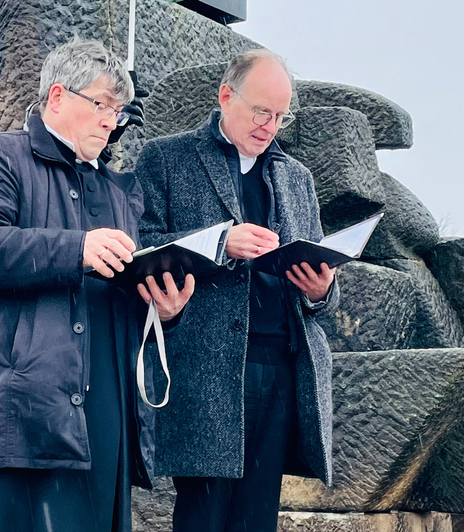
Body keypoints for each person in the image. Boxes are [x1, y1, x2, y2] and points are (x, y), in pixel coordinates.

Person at [0, 37, 194, 532]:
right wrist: (74, 249)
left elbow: (120, 295)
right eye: (100, 103)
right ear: (57, 97)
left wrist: (162, 312)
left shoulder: (124, 192)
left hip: (103, 417)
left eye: (117, 110)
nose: (110, 119)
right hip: (12, 414)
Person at [135, 49, 338, 532]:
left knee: (257, 518)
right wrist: (221, 243)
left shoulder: (297, 177)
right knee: (202, 517)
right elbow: (141, 247)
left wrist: (321, 290)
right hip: (207, 368)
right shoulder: (166, 158)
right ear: (227, 96)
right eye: (261, 111)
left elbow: (322, 289)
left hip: (284, 368)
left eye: (281, 116)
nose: (270, 125)